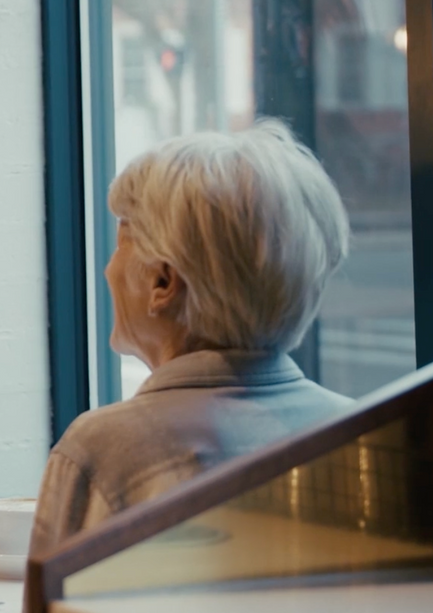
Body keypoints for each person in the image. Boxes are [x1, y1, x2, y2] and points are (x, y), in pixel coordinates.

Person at [29, 119, 355, 556]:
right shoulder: (362, 435)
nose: (108, 270)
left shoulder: (105, 452)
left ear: (163, 282)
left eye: (120, 244)